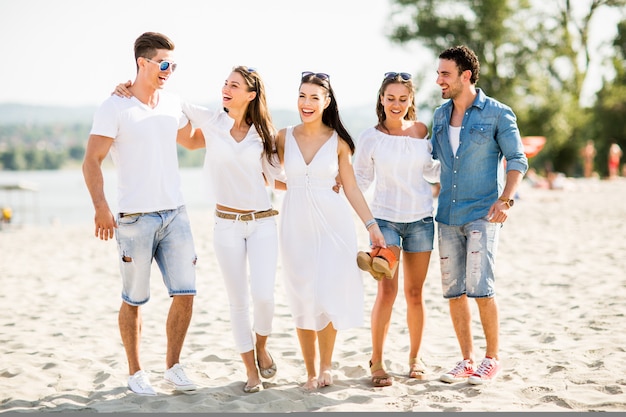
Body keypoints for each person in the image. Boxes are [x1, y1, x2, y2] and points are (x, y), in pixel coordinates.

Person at [113, 66, 283, 394]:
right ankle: (250, 371)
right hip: (226, 225)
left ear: (251, 95)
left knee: (264, 297)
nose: (226, 89)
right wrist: (129, 87)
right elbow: (166, 99)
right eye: (225, 83)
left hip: (262, 222)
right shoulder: (211, 121)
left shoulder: (263, 133)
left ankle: (261, 346)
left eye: (234, 85)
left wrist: (317, 187)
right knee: (238, 302)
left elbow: (274, 177)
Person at [82, 32, 198, 396]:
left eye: (173, 65)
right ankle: (135, 372)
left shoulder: (172, 102)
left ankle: (173, 367)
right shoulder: (114, 106)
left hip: (175, 213)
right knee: (134, 298)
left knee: (186, 292)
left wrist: (241, 124)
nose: (169, 70)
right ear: (142, 63)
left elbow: (193, 141)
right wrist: (101, 206)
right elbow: (91, 161)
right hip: (134, 219)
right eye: (164, 64)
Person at [274, 71, 387, 390]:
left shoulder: (339, 142)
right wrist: (295, 185)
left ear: (326, 102)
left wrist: (372, 225)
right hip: (295, 225)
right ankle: (310, 371)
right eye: (301, 96)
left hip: (333, 225)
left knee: (327, 293)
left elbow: (350, 187)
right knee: (301, 295)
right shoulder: (283, 137)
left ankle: (325, 367)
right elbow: (264, 174)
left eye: (314, 97)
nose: (306, 103)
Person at [431, 45, 528, 385]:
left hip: (482, 214)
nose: (439, 79)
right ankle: (466, 360)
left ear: (465, 76)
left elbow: (518, 159)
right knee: (454, 291)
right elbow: (431, 165)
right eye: (439, 73)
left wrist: (505, 201)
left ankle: (491, 358)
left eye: (445, 73)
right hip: (446, 215)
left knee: (481, 288)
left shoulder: (498, 114)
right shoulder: (440, 116)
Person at [352, 72, 440, 387]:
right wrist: (335, 191)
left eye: (403, 99)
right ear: (381, 99)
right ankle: (377, 360)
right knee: (386, 291)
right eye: (391, 98)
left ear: (411, 101)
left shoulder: (421, 131)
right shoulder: (370, 137)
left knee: (415, 294)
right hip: (385, 219)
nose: (396, 104)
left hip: (420, 220)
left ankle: (415, 359)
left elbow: (431, 171)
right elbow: (360, 179)